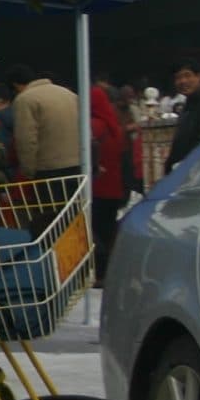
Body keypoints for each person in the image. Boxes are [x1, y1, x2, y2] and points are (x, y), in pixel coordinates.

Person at [3, 62, 80, 181]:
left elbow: (26, 140)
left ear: (15, 85)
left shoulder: (24, 99)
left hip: (48, 169)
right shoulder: (70, 94)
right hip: (78, 166)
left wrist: (28, 171)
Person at [89, 82, 131, 273]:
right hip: (114, 187)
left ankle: (99, 271)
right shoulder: (115, 126)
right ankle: (109, 271)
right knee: (107, 231)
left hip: (96, 187)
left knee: (95, 232)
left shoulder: (92, 126)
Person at [165, 60, 200, 167]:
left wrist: (184, 166)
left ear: (199, 77)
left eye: (187, 75)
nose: (183, 81)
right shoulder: (187, 104)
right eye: (178, 77)